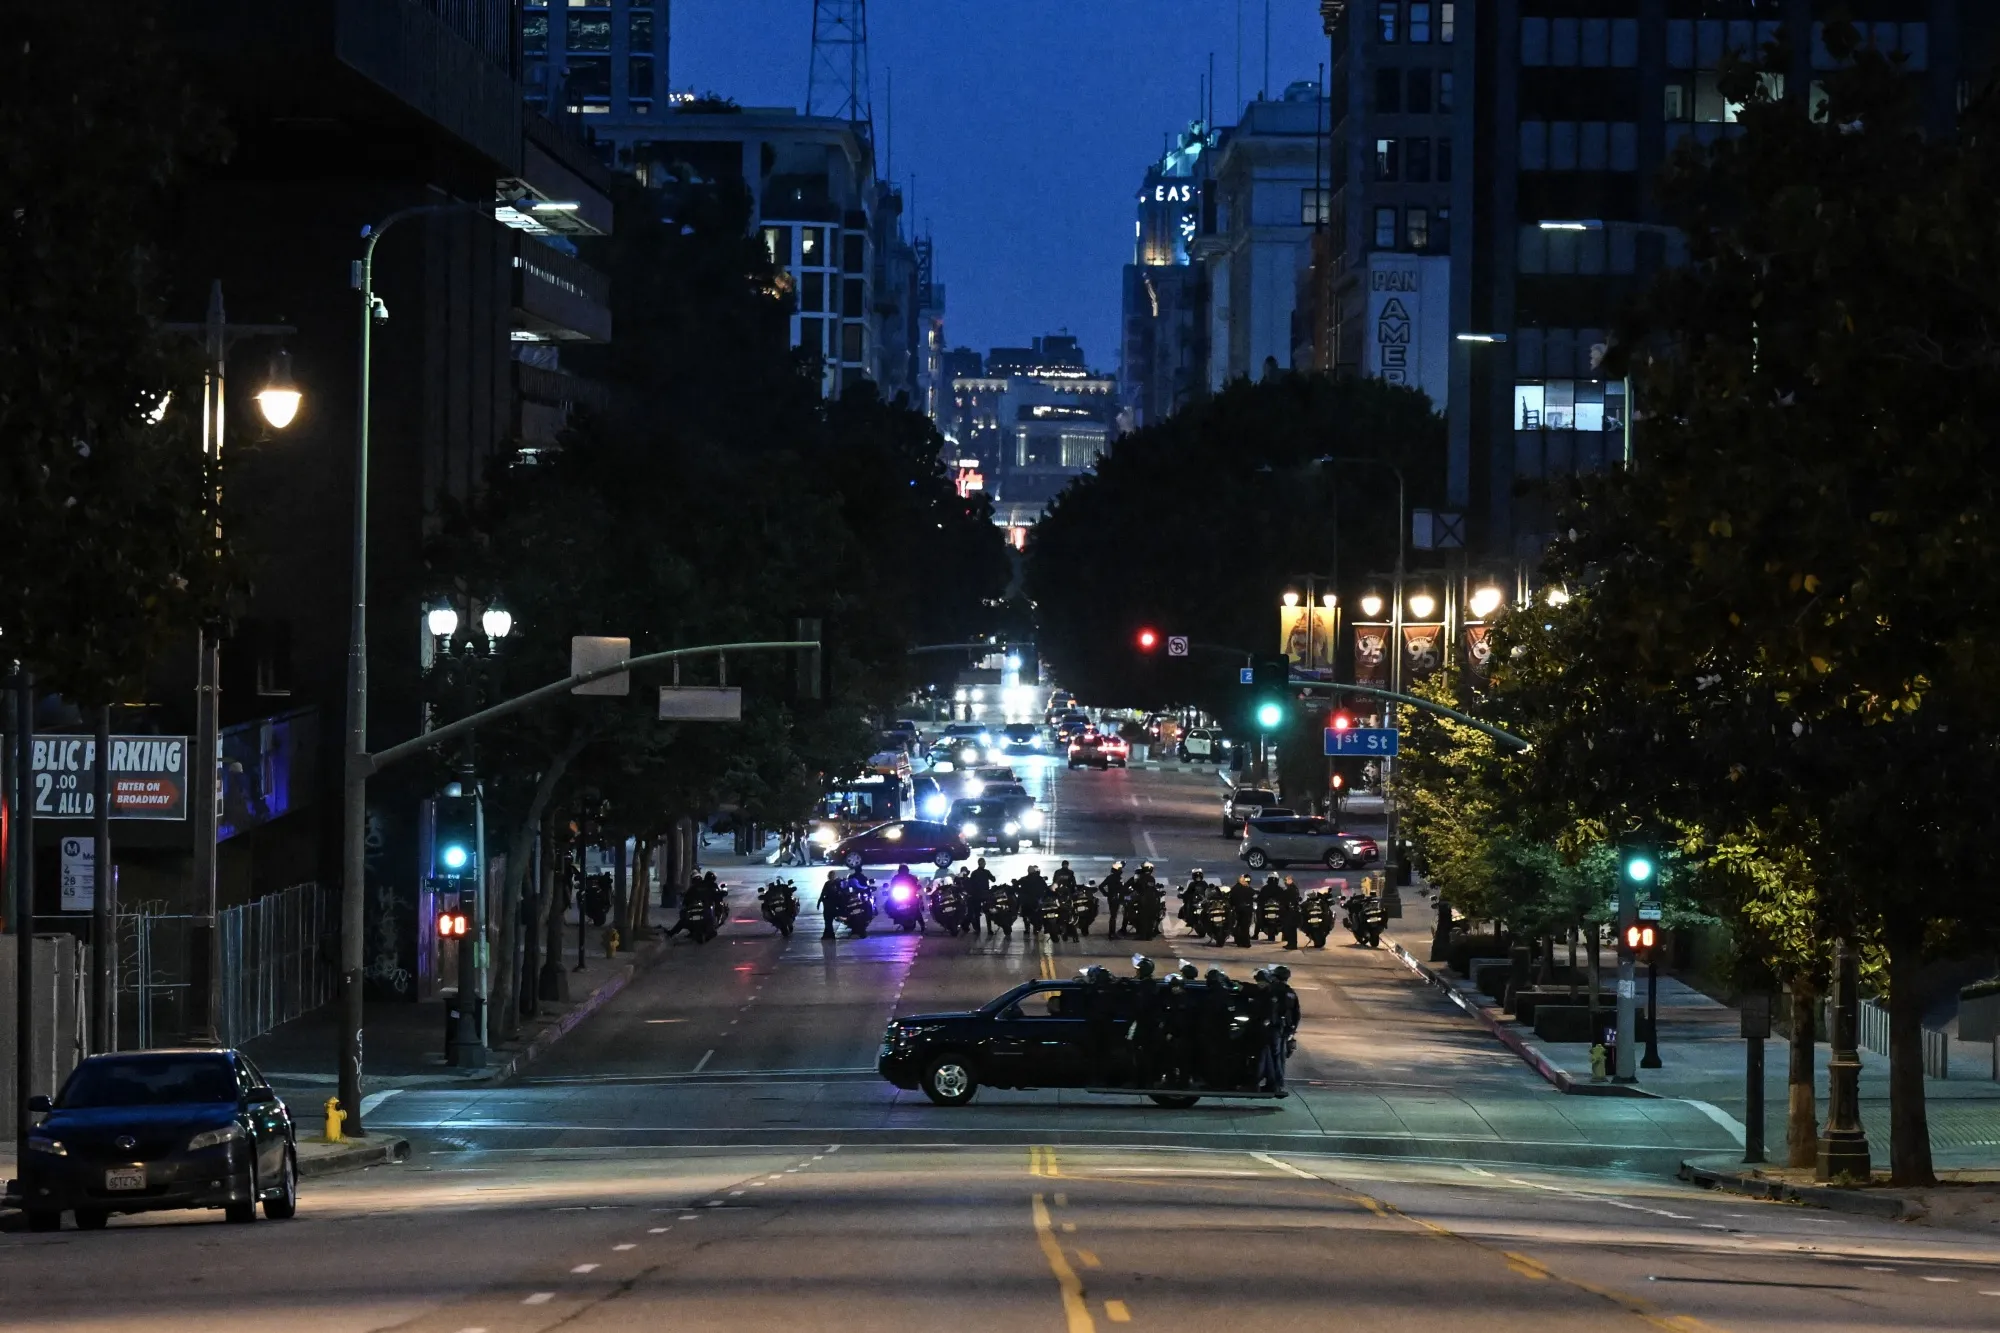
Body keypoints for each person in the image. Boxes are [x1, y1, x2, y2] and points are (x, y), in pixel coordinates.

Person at [817, 871, 846, 940]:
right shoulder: (827, 884)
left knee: (828, 920)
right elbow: (823, 893)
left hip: (833, 905)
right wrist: (819, 902)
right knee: (828, 921)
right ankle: (829, 934)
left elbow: (841, 893)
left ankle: (829, 934)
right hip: (828, 905)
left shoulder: (837, 884)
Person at [1229, 874, 1256, 948]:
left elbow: (1231, 899)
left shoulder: (1235, 888)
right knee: (1245, 926)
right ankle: (1246, 942)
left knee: (1239, 925)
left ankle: (1239, 941)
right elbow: (1254, 895)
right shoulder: (1247, 888)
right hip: (1246, 909)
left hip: (1239, 909)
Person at [1102, 861, 1127, 936]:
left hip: (1111, 897)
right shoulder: (1117, 878)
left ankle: (1112, 933)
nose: (1121, 871)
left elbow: (1101, 886)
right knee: (1113, 916)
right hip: (1115, 898)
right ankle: (1112, 933)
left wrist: (1106, 894)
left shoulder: (1110, 877)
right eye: (1120, 869)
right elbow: (1122, 889)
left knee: (1113, 915)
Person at [1279, 876, 1304, 950]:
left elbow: (1286, 898)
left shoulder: (1291, 889)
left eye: (1286, 880)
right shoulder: (1293, 888)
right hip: (1292, 911)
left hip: (1291, 912)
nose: (1285, 882)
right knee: (1290, 929)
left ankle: (1292, 944)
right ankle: (1291, 943)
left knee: (1290, 928)